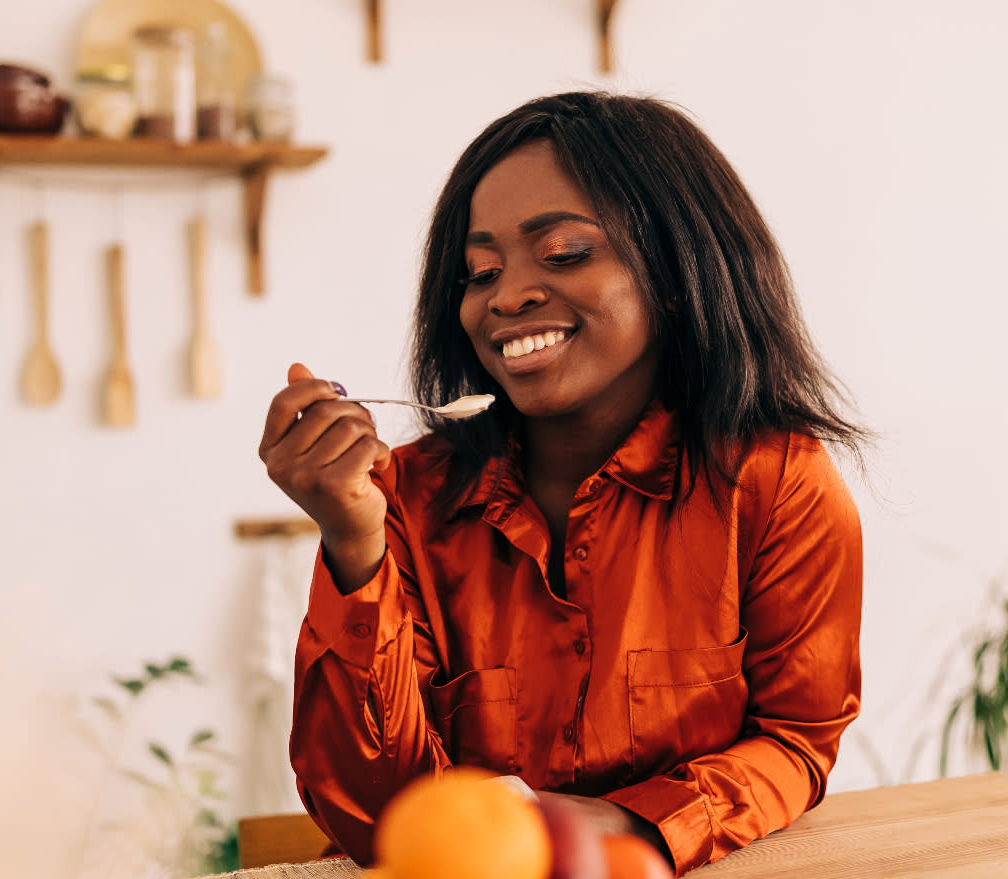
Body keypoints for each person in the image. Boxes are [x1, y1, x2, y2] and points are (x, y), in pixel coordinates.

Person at [259, 90, 867, 876]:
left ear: (678, 271)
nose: (507, 295)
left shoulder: (778, 484)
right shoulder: (399, 499)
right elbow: (378, 818)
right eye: (480, 270)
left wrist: (627, 823)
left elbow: (797, 742)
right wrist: (351, 539)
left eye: (564, 254)